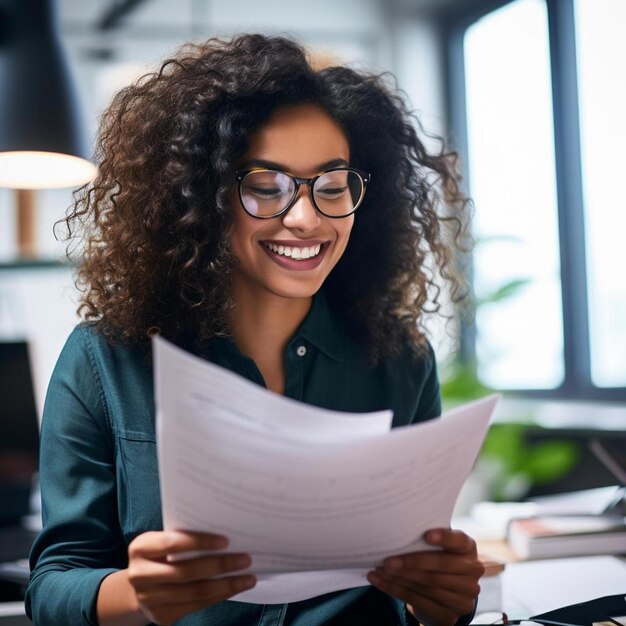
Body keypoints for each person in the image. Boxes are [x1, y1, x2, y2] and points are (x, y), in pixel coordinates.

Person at [26, 34, 482, 626]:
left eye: (332, 186)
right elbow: (52, 586)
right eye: (266, 188)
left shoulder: (400, 361)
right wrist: (135, 593)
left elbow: (422, 588)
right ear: (203, 196)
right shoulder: (104, 360)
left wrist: (444, 600)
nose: (305, 218)